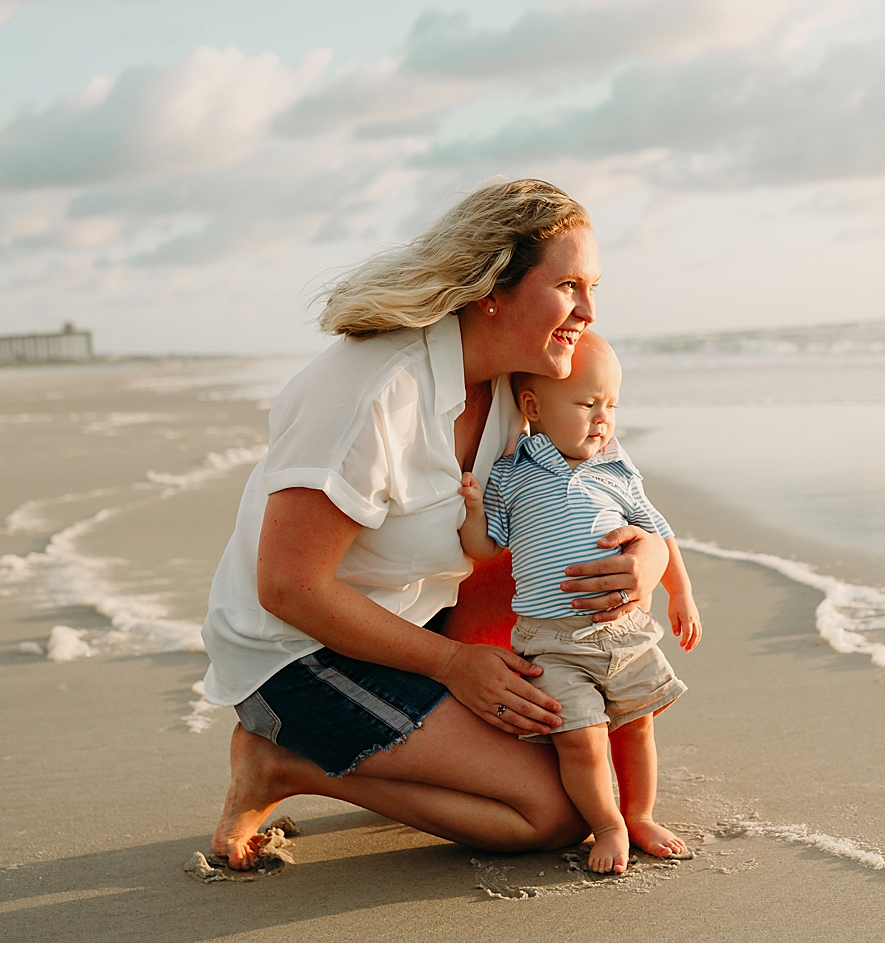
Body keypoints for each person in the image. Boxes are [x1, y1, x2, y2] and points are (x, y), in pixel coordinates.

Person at [202, 178, 670, 870]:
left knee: (600, 766)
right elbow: (288, 587)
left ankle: (399, 741)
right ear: (492, 286)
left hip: (413, 623)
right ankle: (283, 760)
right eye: (569, 284)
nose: (589, 311)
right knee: (552, 813)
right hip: (295, 650)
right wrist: (456, 666)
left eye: (592, 286)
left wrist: (650, 556)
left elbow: (620, 495)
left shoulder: (528, 385)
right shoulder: (374, 388)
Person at [457, 332, 702, 874]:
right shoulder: (512, 472)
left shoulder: (617, 469)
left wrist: (679, 592)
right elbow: (484, 547)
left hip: (625, 632)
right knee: (581, 739)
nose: (602, 418)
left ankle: (639, 814)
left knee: (638, 725)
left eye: (611, 405)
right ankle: (608, 823)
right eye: (588, 403)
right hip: (551, 640)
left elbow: (657, 531)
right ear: (533, 407)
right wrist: (473, 509)